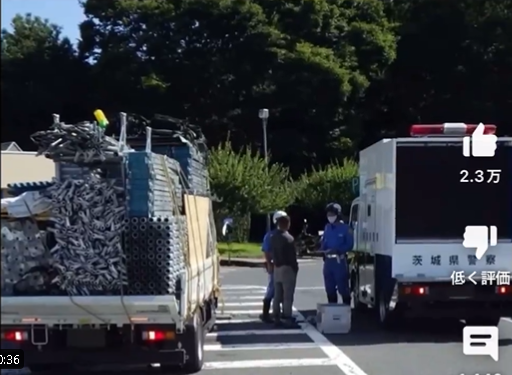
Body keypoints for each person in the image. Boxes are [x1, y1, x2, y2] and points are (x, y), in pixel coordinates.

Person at [320, 202, 354, 305]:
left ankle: (346, 310)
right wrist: (321, 249)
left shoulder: (346, 228)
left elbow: (349, 244)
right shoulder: (327, 228)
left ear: (338, 215)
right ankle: (332, 310)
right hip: (328, 262)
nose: (330, 216)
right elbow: (324, 242)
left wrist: (338, 250)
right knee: (329, 287)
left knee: (342, 287)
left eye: (332, 214)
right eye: (328, 214)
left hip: (339, 261)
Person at [270, 213, 298, 327]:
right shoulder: (289, 238)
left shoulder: (273, 237)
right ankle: (287, 316)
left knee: (277, 294)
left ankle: (276, 315)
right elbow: (292, 256)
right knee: (287, 295)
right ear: (287, 224)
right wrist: (295, 268)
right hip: (287, 267)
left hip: (277, 267)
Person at [259, 210, 288, 323]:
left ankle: (277, 313)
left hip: (281, 265)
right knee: (272, 288)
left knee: (280, 289)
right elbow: (266, 251)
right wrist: (269, 264)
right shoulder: (271, 235)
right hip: (275, 264)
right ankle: (266, 313)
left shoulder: (281, 234)